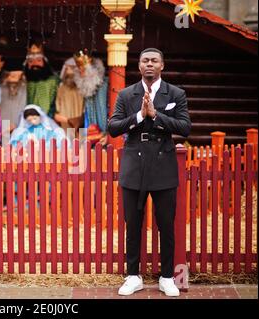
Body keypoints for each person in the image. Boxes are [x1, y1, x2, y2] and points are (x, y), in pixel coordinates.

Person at [106, 48, 191, 297]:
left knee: (166, 224)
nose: (150, 64)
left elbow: (185, 127)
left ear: (162, 65)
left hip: (163, 164)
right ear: (140, 66)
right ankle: (133, 276)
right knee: (133, 224)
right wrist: (139, 115)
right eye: (145, 61)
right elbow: (112, 127)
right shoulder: (126, 94)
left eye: (154, 60)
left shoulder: (176, 93)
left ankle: (167, 278)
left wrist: (157, 116)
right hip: (134, 163)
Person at [24, 42, 60, 118]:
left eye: (39, 60)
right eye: (30, 61)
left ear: (45, 62)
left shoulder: (54, 82)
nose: (35, 64)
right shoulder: (24, 83)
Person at [54, 58, 84, 136]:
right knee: (67, 143)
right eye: (67, 68)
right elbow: (57, 107)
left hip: (80, 121)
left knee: (82, 143)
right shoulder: (61, 88)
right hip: (65, 121)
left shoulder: (83, 88)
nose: (69, 71)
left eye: (72, 68)